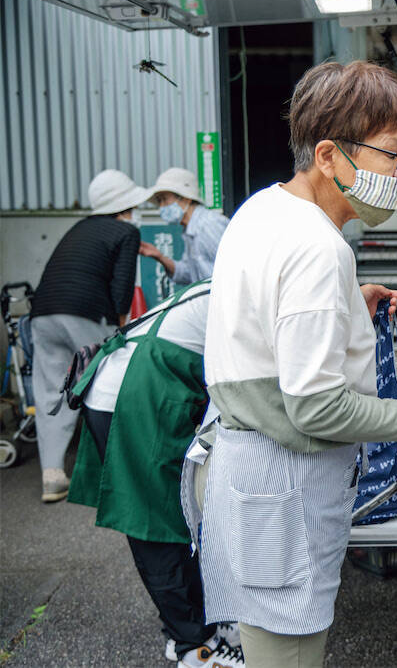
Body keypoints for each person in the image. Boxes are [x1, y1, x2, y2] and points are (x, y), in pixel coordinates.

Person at [191, 61, 397, 668]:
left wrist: (351, 301)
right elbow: (316, 405)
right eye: (393, 155)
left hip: (248, 471)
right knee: (289, 653)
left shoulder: (265, 208)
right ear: (328, 155)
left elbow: (271, 322)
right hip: (281, 487)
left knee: (272, 642)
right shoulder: (318, 249)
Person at [67, 281, 243, 668]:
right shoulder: (244, 288)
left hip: (142, 385)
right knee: (156, 528)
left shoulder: (230, 280)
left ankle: (201, 627)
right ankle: (193, 648)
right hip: (131, 394)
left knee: (184, 519)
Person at [30, 169, 145, 502]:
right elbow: (122, 286)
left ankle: (52, 474)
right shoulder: (127, 231)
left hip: (43, 314)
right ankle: (117, 472)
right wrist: (119, 329)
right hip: (85, 313)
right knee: (106, 385)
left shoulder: (78, 227)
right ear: (126, 205)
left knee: (53, 391)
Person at [139, 168, 228, 284]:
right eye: (159, 201)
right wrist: (159, 256)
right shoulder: (190, 230)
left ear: (186, 198)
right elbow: (188, 274)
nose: (161, 207)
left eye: (164, 200)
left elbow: (231, 270)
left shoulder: (208, 225)